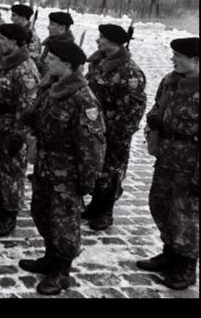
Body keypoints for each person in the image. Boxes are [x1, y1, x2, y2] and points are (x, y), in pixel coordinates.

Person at [19, 40, 106, 296]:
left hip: (68, 173)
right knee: (41, 212)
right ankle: (50, 256)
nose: (47, 61)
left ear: (67, 65)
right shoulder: (52, 89)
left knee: (64, 222)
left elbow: (92, 144)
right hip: (46, 166)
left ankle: (61, 271)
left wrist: (87, 180)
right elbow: (36, 117)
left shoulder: (83, 99)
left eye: (53, 59)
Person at [136, 36, 199, 290]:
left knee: (187, 216)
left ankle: (186, 265)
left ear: (195, 60)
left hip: (191, 163)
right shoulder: (170, 81)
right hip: (166, 158)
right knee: (160, 205)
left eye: (178, 56)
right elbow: (156, 107)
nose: (172, 59)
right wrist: (154, 120)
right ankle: (170, 251)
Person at [0, 24, 40, 235]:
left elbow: (29, 109)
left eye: (3, 39)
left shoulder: (26, 70)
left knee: (12, 175)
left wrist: (18, 137)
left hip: (14, 131)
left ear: (15, 42)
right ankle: (1, 206)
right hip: (0, 127)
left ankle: (10, 213)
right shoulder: (4, 62)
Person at [83, 24, 146, 230]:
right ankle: (94, 205)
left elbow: (132, 111)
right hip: (96, 129)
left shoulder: (129, 72)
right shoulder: (100, 62)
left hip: (114, 131)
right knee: (97, 169)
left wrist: (117, 135)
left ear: (114, 43)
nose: (97, 40)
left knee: (111, 173)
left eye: (101, 38)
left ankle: (105, 212)